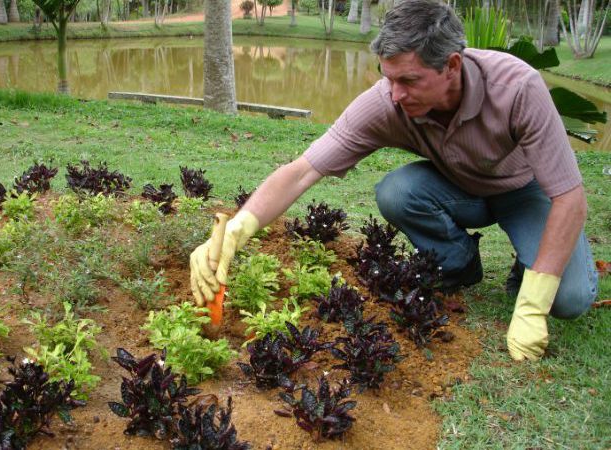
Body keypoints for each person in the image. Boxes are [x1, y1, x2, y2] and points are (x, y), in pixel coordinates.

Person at [189, 0, 598, 362]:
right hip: (457, 189)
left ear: (451, 65)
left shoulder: (518, 88)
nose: (396, 94)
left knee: (569, 298)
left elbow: (570, 199)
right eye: (389, 78)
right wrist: (239, 227)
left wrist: (531, 305)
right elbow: (302, 170)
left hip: (523, 191)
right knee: (396, 192)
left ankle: (527, 268)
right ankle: (460, 264)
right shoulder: (387, 101)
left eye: (409, 81)